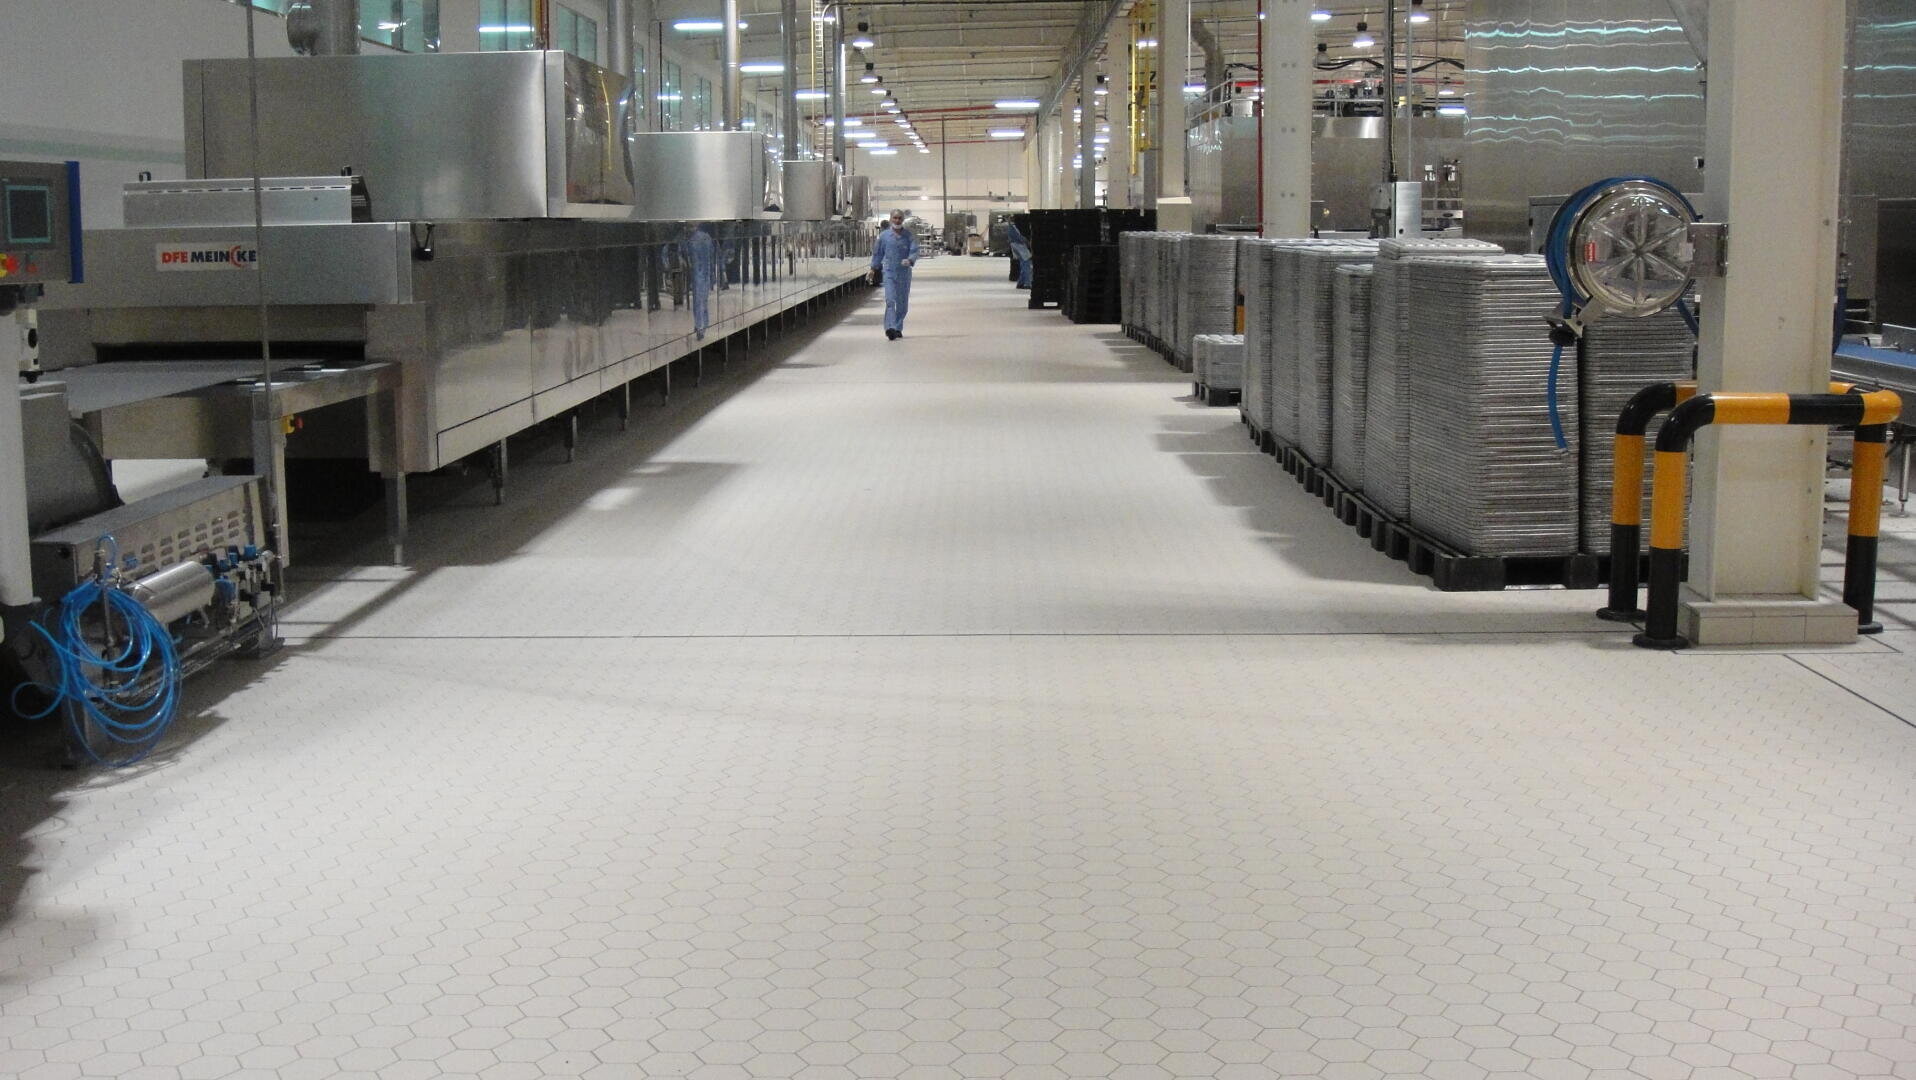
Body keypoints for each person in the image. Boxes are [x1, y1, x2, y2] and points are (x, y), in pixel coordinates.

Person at [869, 209, 919, 340]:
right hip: (889, 272)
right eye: (895, 218)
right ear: (891, 219)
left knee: (902, 304)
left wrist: (910, 260)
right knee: (890, 300)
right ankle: (890, 328)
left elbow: (914, 250)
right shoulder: (884, 236)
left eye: (899, 218)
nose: (897, 220)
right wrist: (873, 268)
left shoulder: (908, 236)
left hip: (904, 273)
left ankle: (897, 326)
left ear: (903, 220)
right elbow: (878, 253)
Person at [682, 223, 717, 340]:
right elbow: (712, 254)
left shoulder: (691, 240)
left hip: (697, 274)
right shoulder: (707, 237)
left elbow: (686, 254)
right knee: (704, 301)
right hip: (706, 273)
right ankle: (704, 324)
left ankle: (699, 327)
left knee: (697, 302)